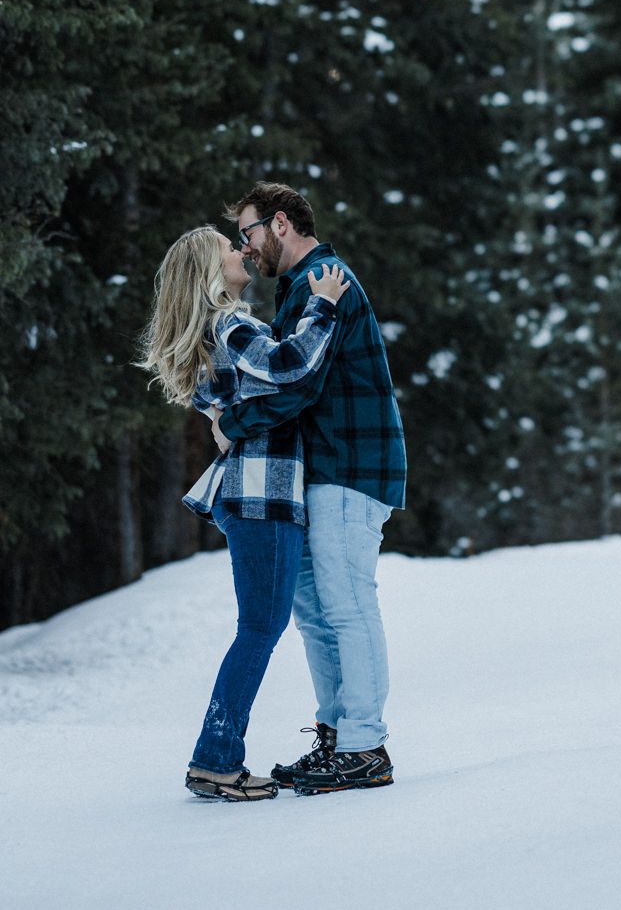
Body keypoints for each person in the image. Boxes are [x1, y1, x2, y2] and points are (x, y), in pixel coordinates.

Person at [136, 225, 349, 801]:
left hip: (250, 492)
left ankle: (216, 757)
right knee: (259, 628)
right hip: (262, 493)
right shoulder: (229, 324)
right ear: (211, 270)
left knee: (259, 626)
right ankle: (216, 760)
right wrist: (324, 307)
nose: (242, 252)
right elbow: (290, 365)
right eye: (231, 248)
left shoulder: (213, 332)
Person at [219, 182, 407, 796]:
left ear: (278, 224)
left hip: (350, 466)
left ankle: (364, 746)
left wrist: (232, 424)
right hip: (323, 468)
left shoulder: (325, 277)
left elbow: (296, 384)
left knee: (347, 605)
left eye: (248, 233)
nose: (246, 250)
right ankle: (337, 737)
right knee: (319, 615)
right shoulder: (304, 287)